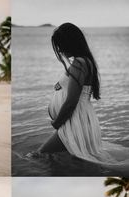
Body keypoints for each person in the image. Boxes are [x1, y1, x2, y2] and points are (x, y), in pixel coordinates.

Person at [29, 23, 129, 173]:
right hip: (77, 120)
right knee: (76, 162)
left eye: (60, 45)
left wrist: (57, 122)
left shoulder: (79, 63)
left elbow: (71, 102)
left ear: (70, 42)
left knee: (35, 156)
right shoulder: (85, 61)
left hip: (74, 121)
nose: (60, 50)